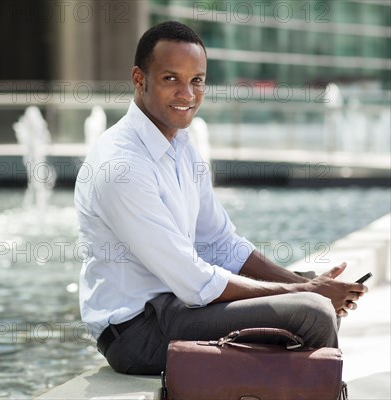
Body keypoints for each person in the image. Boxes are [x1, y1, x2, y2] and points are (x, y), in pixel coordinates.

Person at [73, 20, 368, 375]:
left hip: (175, 307)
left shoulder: (181, 145)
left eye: (196, 80)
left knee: (308, 286)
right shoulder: (121, 166)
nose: (187, 93)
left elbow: (220, 242)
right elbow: (194, 281)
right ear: (139, 79)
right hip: (137, 332)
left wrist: (303, 282)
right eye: (171, 79)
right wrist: (306, 292)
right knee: (313, 312)